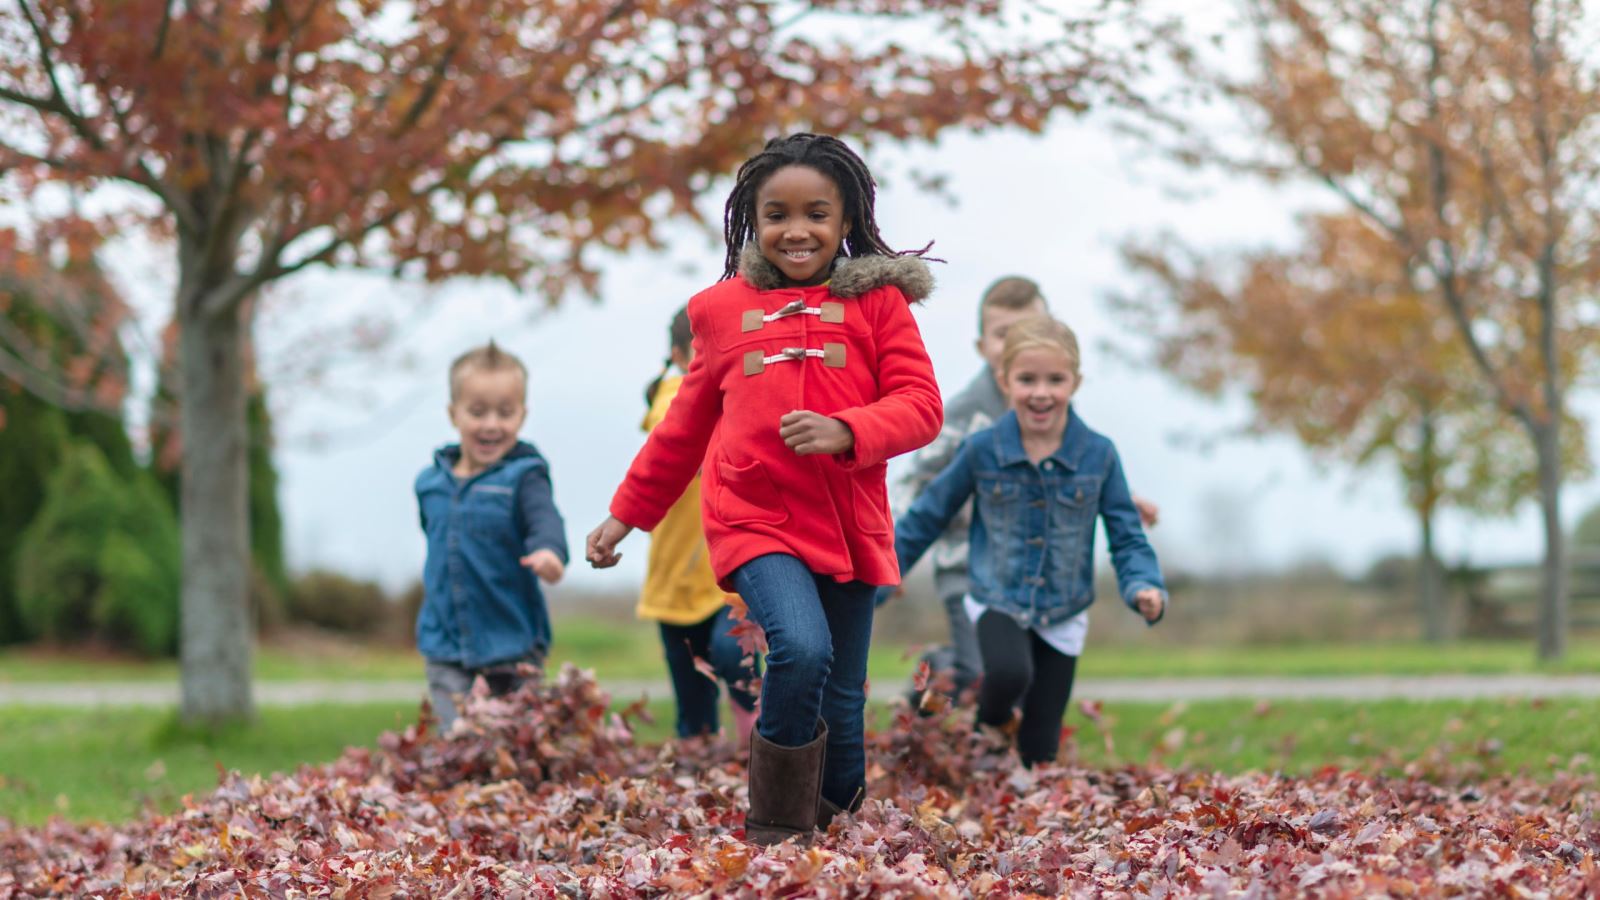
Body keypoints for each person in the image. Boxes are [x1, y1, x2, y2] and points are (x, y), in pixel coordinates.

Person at [585, 133, 943, 845]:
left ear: (846, 222)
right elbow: (682, 429)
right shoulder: (718, 312)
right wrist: (624, 517)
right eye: (776, 214)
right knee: (802, 649)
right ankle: (775, 832)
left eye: (817, 213)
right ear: (752, 221)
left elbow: (922, 406)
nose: (797, 230)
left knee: (842, 696)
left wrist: (850, 429)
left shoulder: (880, 307)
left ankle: (837, 833)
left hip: (848, 523)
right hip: (756, 518)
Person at [884, 316, 1167, 767]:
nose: (1041, 392)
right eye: (1027, 379)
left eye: (1055, 379)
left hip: (1064, 609)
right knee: (1010, 673)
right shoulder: (982, 449)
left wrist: (1143, 587)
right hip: (998, 596)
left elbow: (1127, 536)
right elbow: (927, 515)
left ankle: (1022, 804)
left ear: (1075, 382)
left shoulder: (1098, 454)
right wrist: (883, 573)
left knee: (1040, 745)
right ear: (1004, 380)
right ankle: (988, 734)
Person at [414, 341, 568, 730]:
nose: (491, 424)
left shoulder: (524, 476)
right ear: (454, 414)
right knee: (458, 738)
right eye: (477, 412)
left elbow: (544, 520)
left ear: (522, 415)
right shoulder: (430, 484)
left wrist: (549, 552)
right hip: (446, 641)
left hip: (512, 642)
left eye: (505, 412)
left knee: (516, 739)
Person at [637, 305, 760, 746]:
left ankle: (756, 744)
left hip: (729, 567)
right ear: (675, 356)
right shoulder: (670, 396)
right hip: (676, 578)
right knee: (692, 700)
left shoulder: (741, 389)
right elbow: (673, 424)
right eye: (696, 356)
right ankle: (699, 766)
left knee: (733, 653)